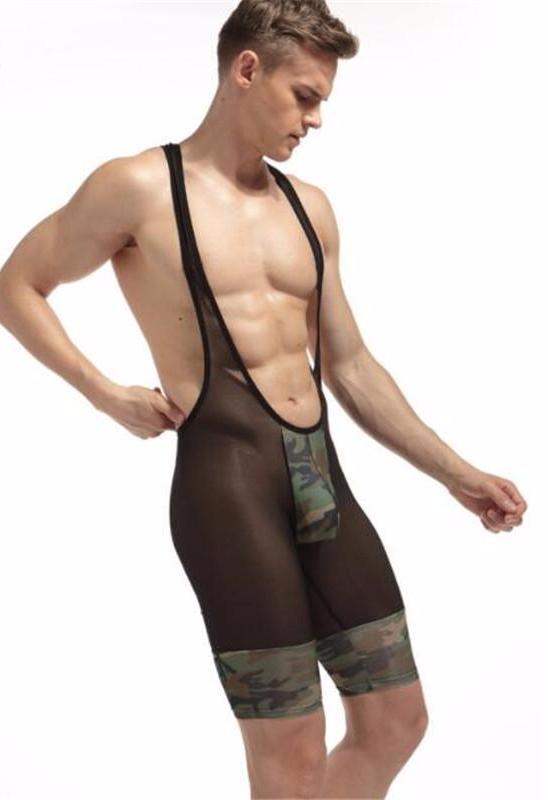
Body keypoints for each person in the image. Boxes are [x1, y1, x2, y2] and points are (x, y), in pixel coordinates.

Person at [0, 1, 527, 798]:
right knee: (290, 753)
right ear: (247, 69)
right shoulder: (139, 188)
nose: (315, 119)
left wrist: (458, 473)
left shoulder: (309, 207)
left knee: (396, 718)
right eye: (305, 95)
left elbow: (349, 365)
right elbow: (18, 285)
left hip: (323, 484)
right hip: (228, 492)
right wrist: (103, 393)